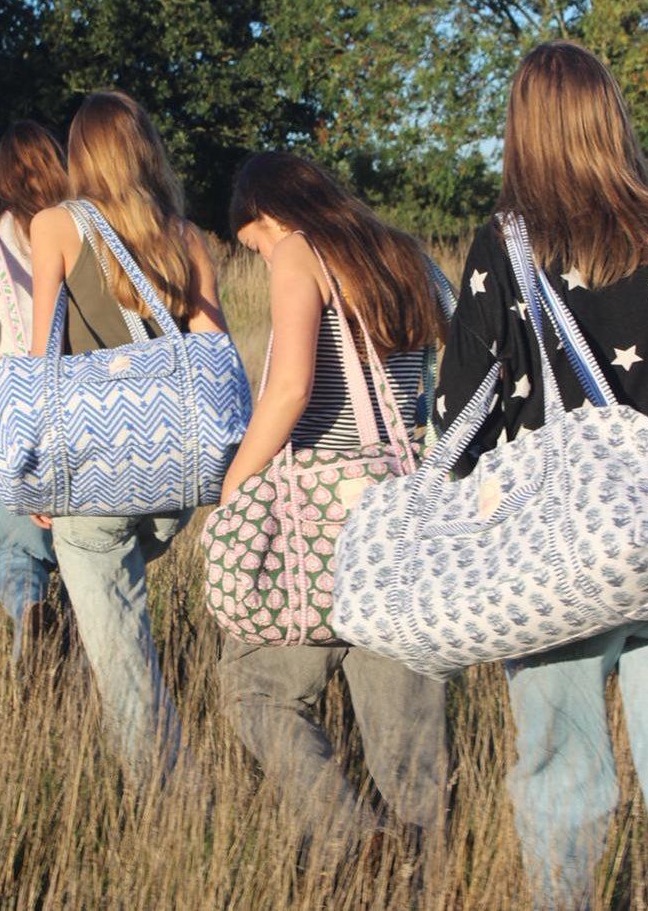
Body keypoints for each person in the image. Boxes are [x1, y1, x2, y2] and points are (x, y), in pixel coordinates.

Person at [433, 41, 648, 911]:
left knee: (562, 786)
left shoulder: (500, 247)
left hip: (551, 567)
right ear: (611, 119)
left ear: (520, 129)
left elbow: (462, 415)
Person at [219, 151, 450, 848]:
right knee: (408, 722)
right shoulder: (404, 252)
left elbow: (290, 387)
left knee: (256, 689)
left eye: (250, 242)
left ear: (266, 213)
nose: (259, 256)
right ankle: (429, 866)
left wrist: (236, 485)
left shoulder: (298, 249)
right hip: (405, 500)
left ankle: (351, 837)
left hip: (315, 507)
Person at [28, 91, 228, 784]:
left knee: (121, 658)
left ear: (81, 155)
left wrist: (39, 475)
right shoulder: (186, 235)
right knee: (124, 608)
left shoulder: (54, 226)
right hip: (175, 481)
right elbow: (215, 356)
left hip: (96, 474)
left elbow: (41, 363)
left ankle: (179, 802)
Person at [0, 120, 70, 668]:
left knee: (12, 546)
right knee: (76, 546)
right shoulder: (80, 222)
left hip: (14, 409)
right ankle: (71, 658)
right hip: (82, 406)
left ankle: (31, 614)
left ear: (3, 174)